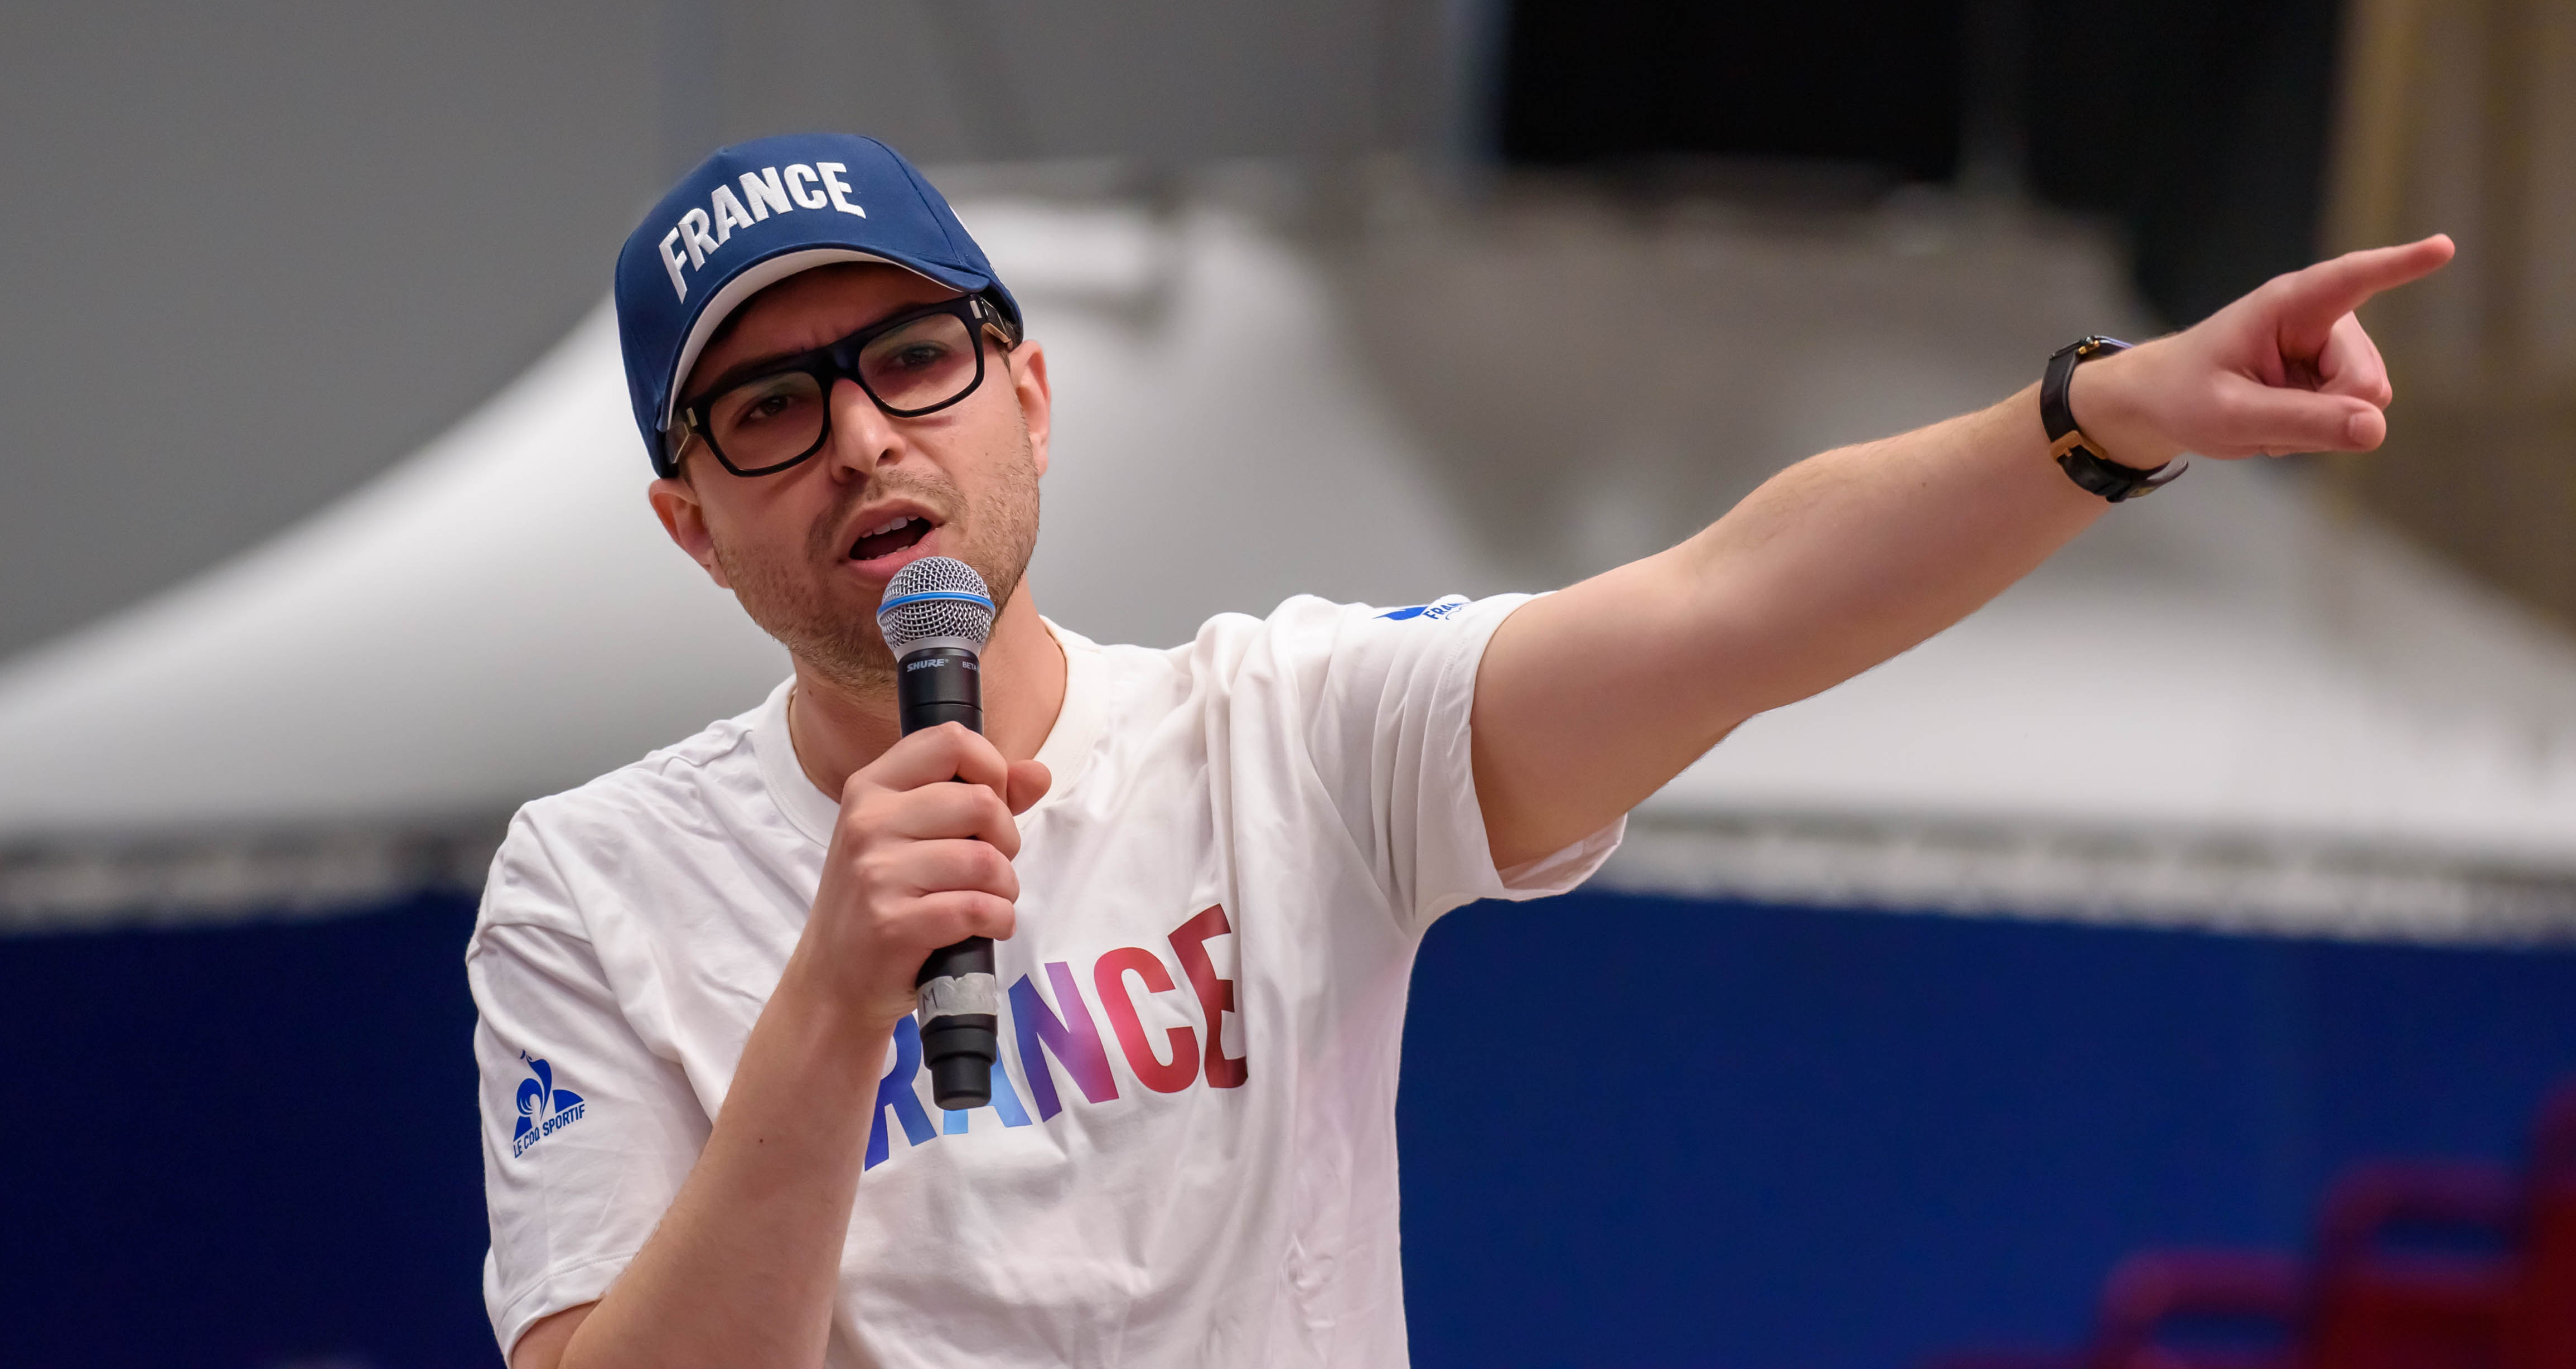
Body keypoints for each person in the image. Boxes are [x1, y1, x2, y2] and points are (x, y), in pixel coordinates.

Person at [471, 132, 2453, 1369]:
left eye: (913, 358)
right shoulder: (593, 883)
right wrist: (833, 1001)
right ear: (690, 523)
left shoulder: (1283, 736)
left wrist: (2111, 414)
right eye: (768, 407)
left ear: (1032, 395)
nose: (861, 437)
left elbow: (1732, 603)